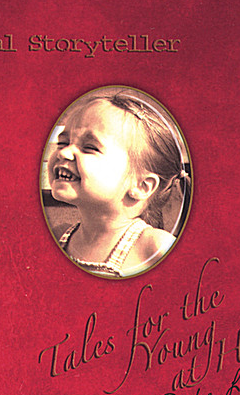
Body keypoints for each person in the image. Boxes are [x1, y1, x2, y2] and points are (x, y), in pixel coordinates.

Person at [47, 88, 189, 278]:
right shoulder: (59, 236)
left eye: (89, 147)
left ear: (141, 186)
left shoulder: (156, 248)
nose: (63, 153)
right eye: (63, 143)